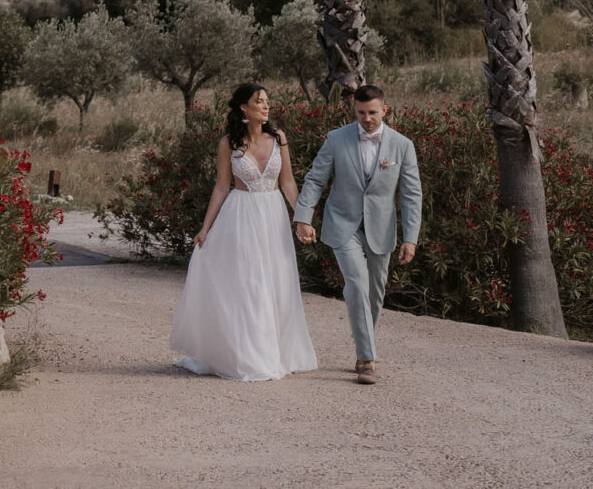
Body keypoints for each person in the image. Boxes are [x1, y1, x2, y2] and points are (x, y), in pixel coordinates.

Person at [168, 82, 318, 380]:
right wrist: (205, 228)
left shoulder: (279, 138)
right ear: (243, 108)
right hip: (240, 217)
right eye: (259, 101)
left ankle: (274, 352)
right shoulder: (228, 143)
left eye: (267, 101)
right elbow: (222, 186)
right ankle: (251, 356)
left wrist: (302, 218)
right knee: (249, 284)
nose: (266, 106)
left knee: (276, 282)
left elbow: (287, 183)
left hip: (273, 216)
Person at [292, 83, 423, 385]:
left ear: (385, 110)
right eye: (361, 113)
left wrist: (410, 237)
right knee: (357, 282)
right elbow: (314, 179)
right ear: (355, 110)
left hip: (381, 227)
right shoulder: (336, 139)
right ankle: (367, 359)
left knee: (375, 292)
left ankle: (364, 344)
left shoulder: (402, 145)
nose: (367, 119)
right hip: (342, 224)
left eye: (372, 113)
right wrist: (303, 217)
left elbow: (412, 195)